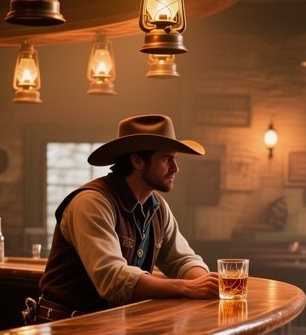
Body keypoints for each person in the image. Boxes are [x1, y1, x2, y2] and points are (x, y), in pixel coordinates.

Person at [30, 114, 219, 323]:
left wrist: (207, 283)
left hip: (110, 328)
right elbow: (113, 278)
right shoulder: (92, 202)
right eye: (167, 159)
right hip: (65, 327)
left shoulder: (158, 207)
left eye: (175, 159)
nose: (176, 168)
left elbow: (182, 259)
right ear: (137, 161)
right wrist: (187, 287)